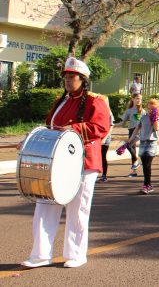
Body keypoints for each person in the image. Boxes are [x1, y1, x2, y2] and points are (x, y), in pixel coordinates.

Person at [20, 57, 111, 269]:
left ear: (83, 79)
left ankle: (76, 254)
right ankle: (40, 255)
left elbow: (100, 128)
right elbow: (49, 127)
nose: (68, 81)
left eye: (72, 77)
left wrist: (75, 129)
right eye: (66, 77)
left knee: (78, 210)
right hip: (57, 163)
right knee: (44, 205)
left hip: (83, 162)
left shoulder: (95, 101)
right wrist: (29, 141)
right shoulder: (61, 101)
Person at [128, 98, 159, 195]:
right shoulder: (143, 117)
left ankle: (146, 185)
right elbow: (137, 129)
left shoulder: (158, 118)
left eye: (153, 109)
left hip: (152, 143)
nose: (150, 110)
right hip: (143, 143)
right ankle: (148, 184)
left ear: (157, 109)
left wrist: (154, 118)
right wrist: (130, 140)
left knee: (147, 164)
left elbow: (156, 128)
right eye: (149, 108)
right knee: (144, 165)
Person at [120, 93, 143, 177]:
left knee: (129, 146)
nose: (138, 100)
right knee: (133, 150)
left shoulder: (142, 111)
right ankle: (134, 172)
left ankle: (137, 161)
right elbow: (122, 123)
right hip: (131, 131)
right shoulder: (129, 111)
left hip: (138, 131)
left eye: (140, 99)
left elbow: (142, 123)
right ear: (132, 99)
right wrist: (111, 125)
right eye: (137, 98)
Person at [98, 97, 115, 183]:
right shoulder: (100, 112)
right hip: (98, 138)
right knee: (98, 156)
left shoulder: (109, 114)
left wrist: (104, 138)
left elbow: (111, 127)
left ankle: (104, 175)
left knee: (103, 156)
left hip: (105, 139)